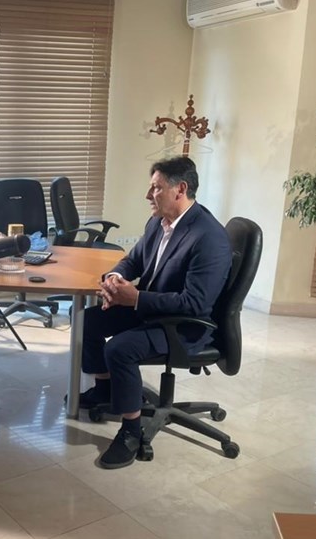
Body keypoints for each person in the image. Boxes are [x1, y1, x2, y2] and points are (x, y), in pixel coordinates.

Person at [77, 156, 232, 469]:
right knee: (87, 321)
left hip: (184, 326)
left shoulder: (209, 237)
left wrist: (135, 298)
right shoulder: (158, 222)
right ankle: (104, 390)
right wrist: (115, 278)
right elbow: (133, 260)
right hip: (152, 308)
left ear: (180, 189)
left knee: (119, 348)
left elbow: (194, 303)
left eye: (156, 188)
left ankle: (131, 432)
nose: (148, 195)